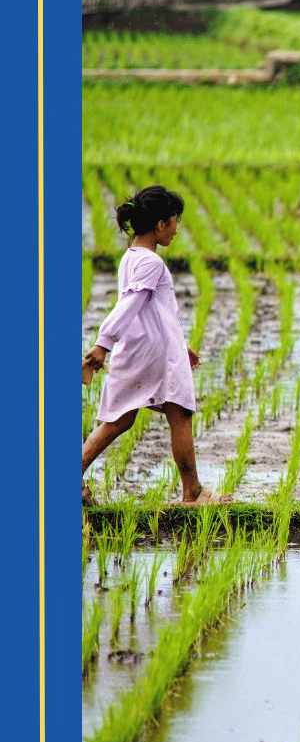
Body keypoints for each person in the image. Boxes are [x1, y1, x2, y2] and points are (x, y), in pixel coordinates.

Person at [82, 185, 222, 507]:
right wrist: (103, 343)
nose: (176, 230)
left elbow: (155, 312)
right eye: (174, 222)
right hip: (153, 354)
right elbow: (130, 304)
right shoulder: (152, 263)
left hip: (142, 349)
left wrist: (180, 346)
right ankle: (192, 493)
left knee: (120, 420)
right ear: (160, 225)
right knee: (180, 414)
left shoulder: (131, 258)